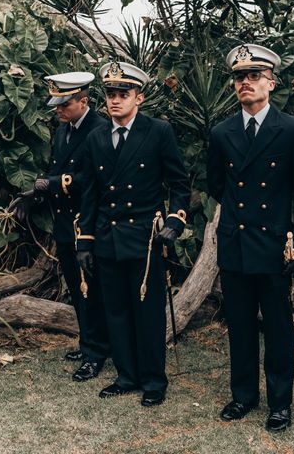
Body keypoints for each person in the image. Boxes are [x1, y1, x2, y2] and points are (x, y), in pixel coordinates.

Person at [207, 44, 294, 432]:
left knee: (275, 327)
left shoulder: (291, 130)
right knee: (238, 326)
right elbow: (216, 185)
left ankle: (280, 403)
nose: (245, 83)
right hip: (236, 245)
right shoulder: (221, 133)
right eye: (239, 77)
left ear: (271, 82)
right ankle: (242, 396)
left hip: (275, 247)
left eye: (254, 76)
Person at [75, 61, 190, 407]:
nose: (115, 100)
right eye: (110, 94)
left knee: (147, 314)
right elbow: (89, 193)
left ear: (138, 97)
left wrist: (175, 222)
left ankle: (154, 380)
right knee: (116, 311)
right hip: (107, 238)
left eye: (123, 94)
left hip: (146, 241)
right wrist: (84, 242)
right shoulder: (95, 138)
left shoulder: (158, 132)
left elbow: (180, 184)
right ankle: (126, 375)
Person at [12, 72, 111, 382]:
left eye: (64, 104)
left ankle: (96, 355)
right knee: (77, 288)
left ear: (83, 101)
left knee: (91, 290)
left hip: (89, 223)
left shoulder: (100, 130)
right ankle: (88, 343)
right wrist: (37, 195)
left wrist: (49, 184)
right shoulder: (63, 131)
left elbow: (95, 179)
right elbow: (60, 172)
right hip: (66, 223)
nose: (58, 109)